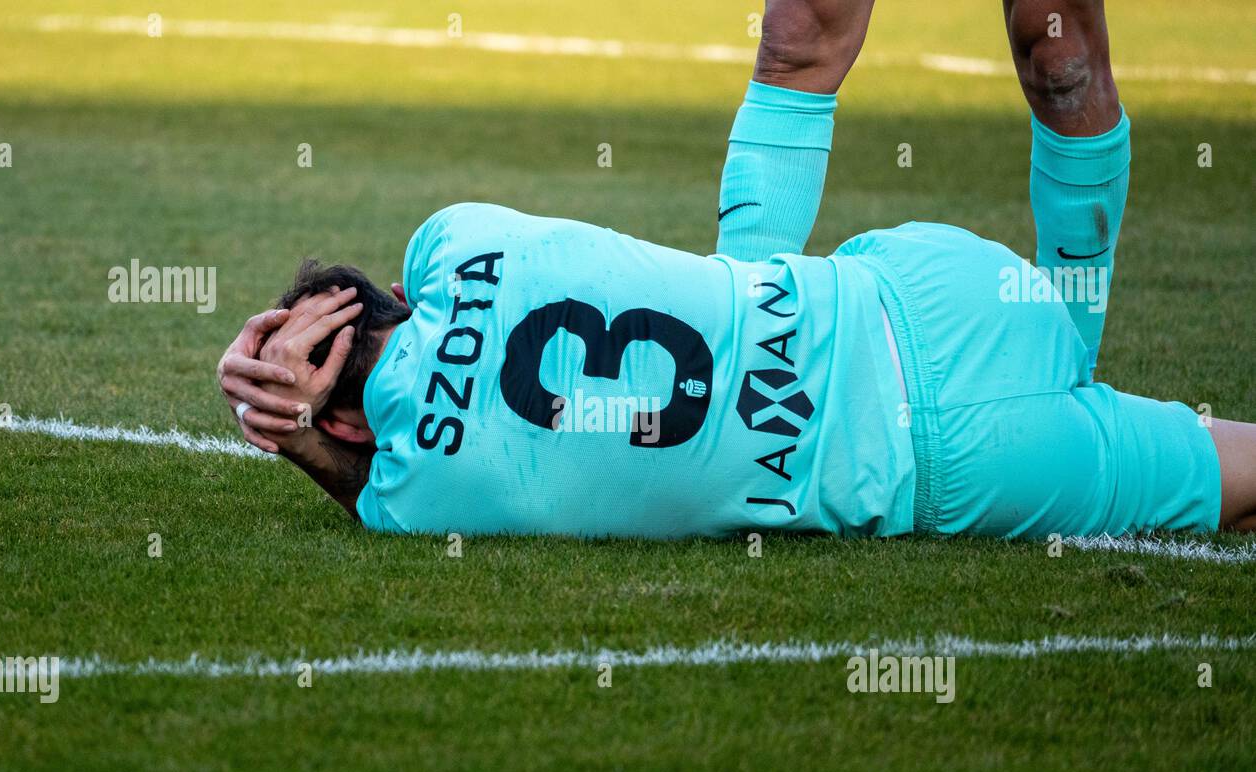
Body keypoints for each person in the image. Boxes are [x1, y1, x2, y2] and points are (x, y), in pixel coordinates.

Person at [216, 1, 1256, 538]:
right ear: (388, 293)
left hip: (957, 461)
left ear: (345, 419)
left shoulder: (419, 489)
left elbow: (374, 483)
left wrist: (297, 434)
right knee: (850, 52)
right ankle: (1060, 93)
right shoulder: (457, 237)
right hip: (915, 290)